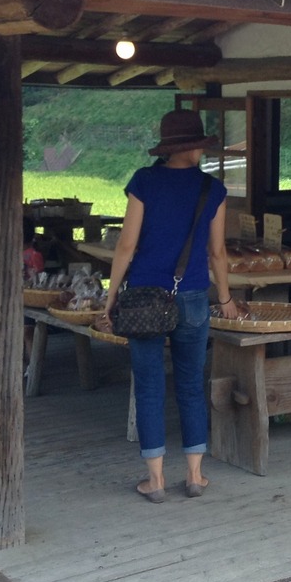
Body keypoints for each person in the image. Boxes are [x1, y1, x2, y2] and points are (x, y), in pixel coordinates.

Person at [105, 109, 239, 503]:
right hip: (193, 296)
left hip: (145, 298)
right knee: (190, 386)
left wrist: (110, 298)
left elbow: (126, 245)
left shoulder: (144, 182)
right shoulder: (211, 189)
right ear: (192, 147)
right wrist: (226, 298)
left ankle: (156, 481)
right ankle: (195, 476)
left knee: (149, 387)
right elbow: (217, 253)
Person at [22, 218, 44, 360]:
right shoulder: (35, 254)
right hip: (24, 298)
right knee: (24, 333)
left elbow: (39, 278)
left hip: (28, 298)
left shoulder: (34, 255)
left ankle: (31, 364)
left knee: (27, 332)